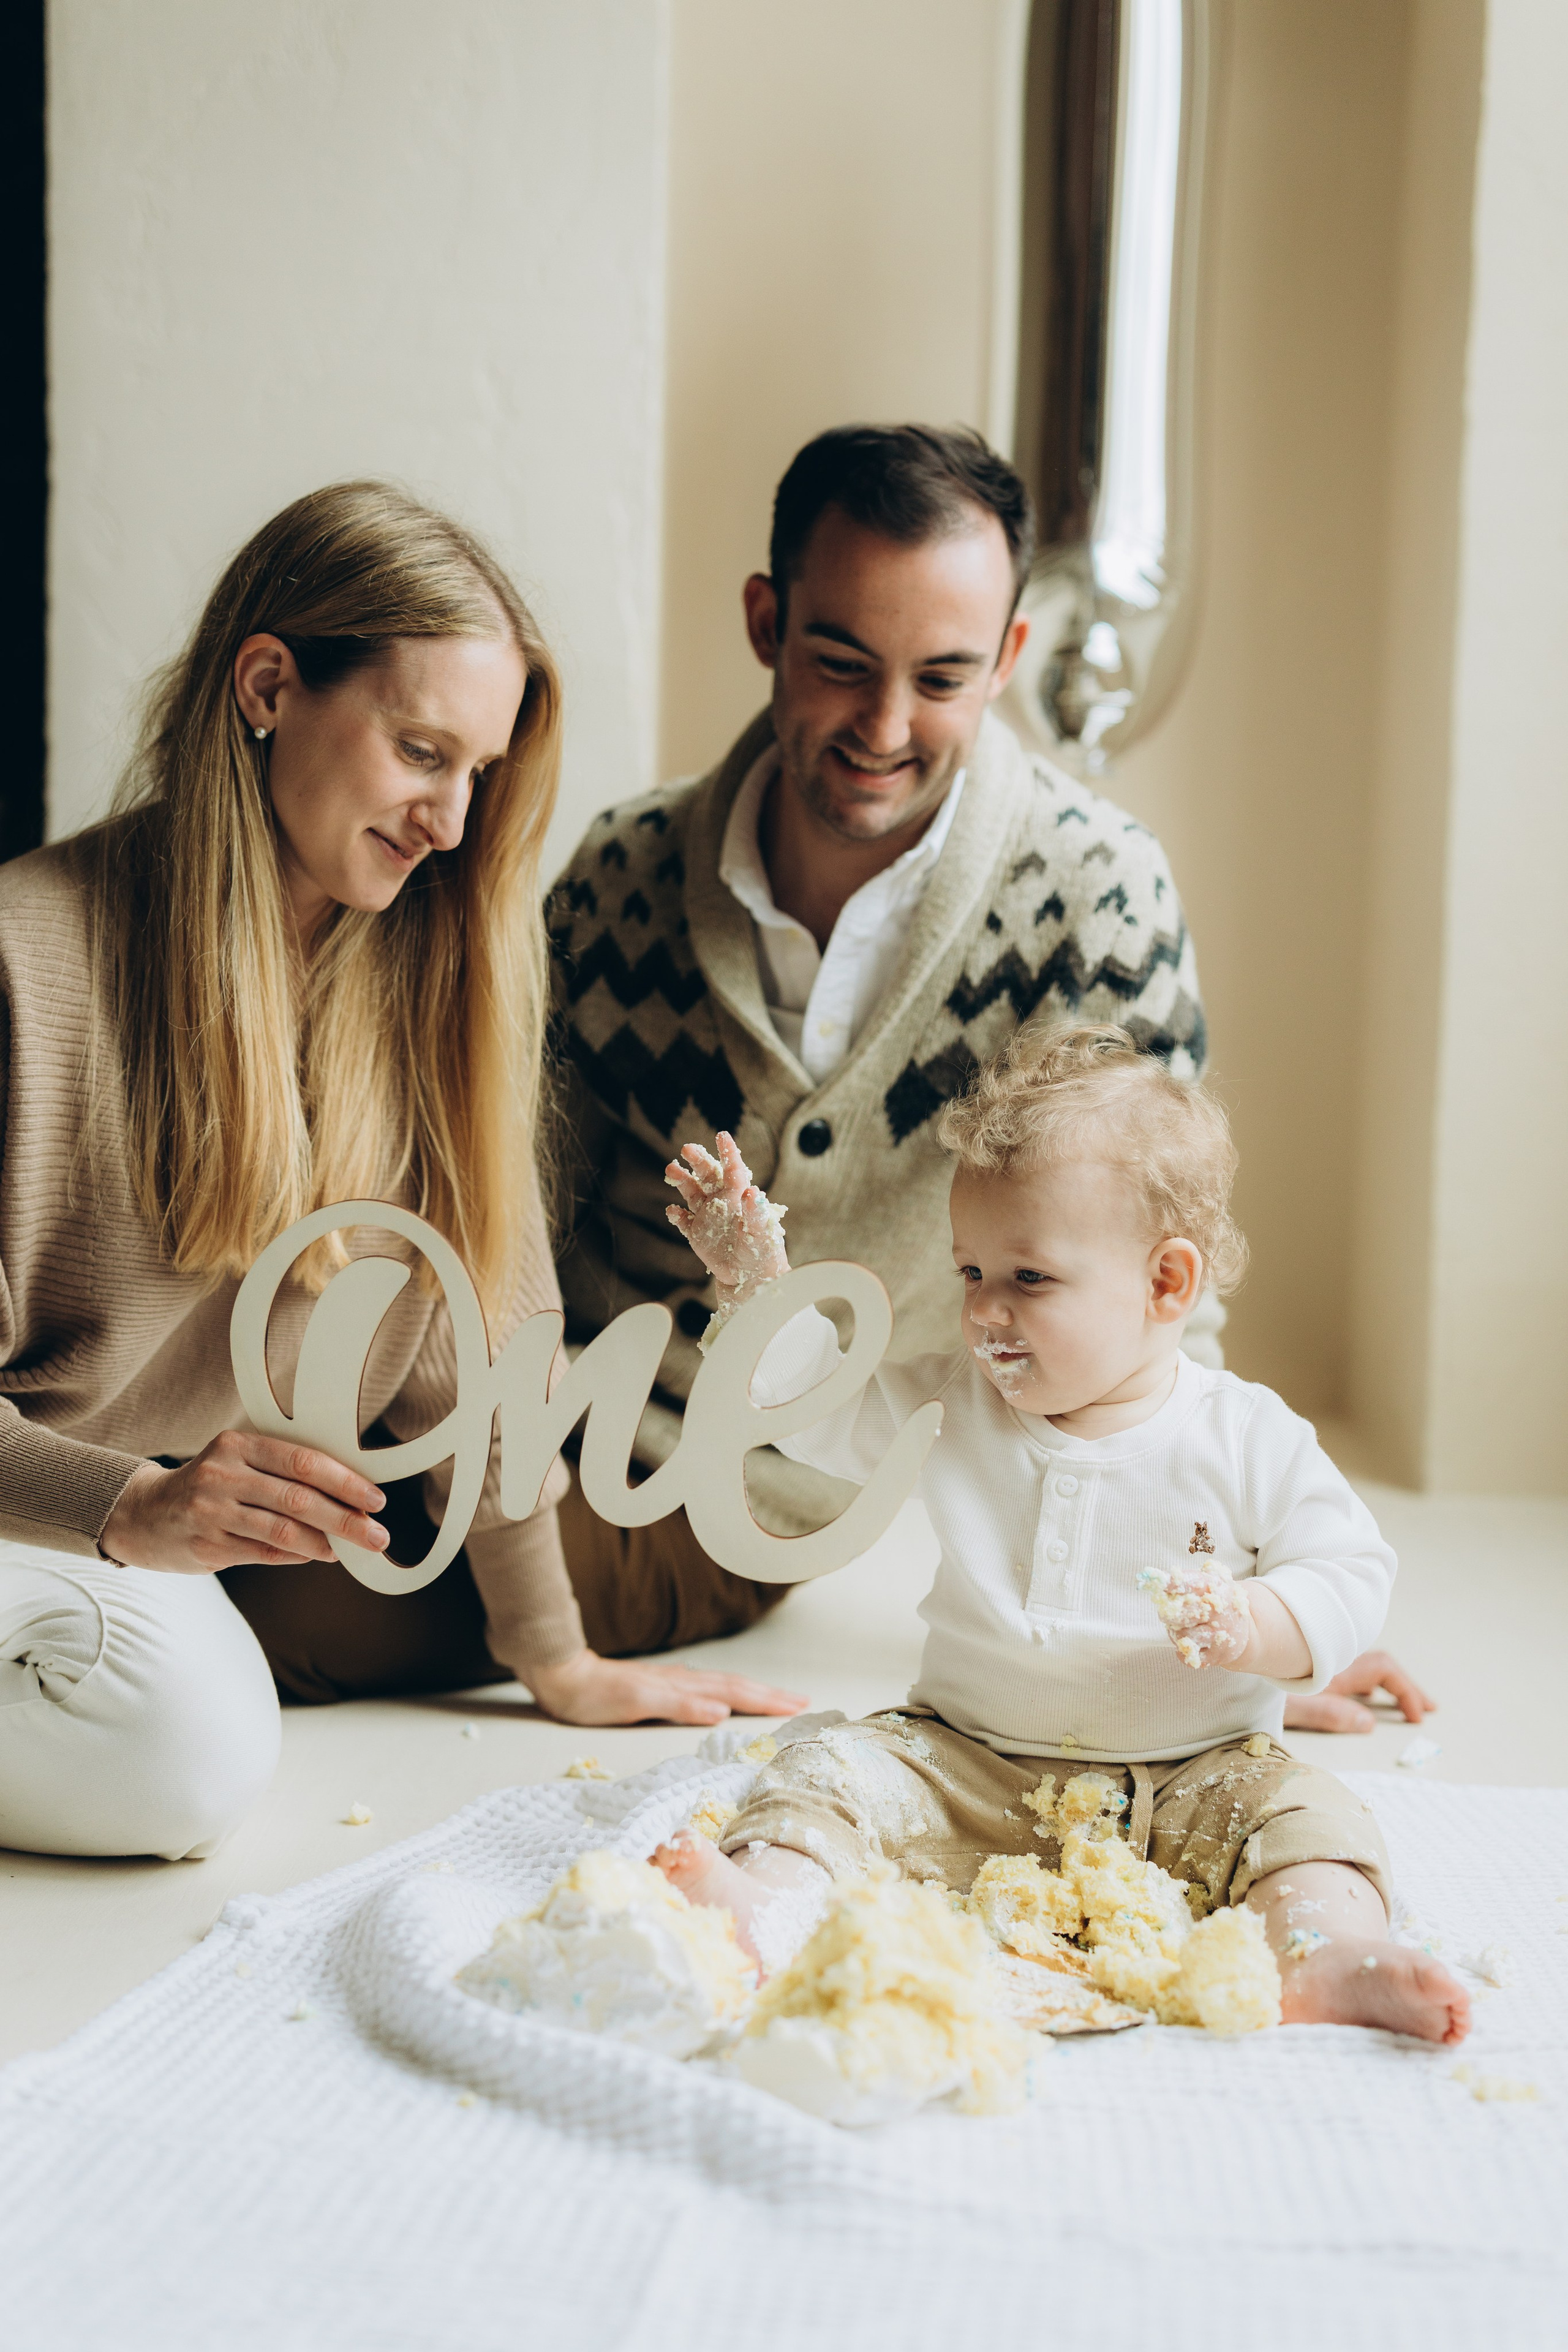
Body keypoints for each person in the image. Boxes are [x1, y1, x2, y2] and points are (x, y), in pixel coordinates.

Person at [548, 422, 1428, 1740]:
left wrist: (1241, 1610)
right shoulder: (619, 874)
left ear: (1009, 661)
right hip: (532, 1407)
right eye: (839, 662)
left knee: (302, 1591)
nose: (884, 728)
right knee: (277, 1486)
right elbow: (514, 1198)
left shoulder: (1092, 897)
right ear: (763, 621)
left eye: (943, 678)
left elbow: (1151, 1263)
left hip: (705, 1484)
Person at [0, 482, 798, 1864]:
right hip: (52, 1501)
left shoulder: (440, 981)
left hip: (132, 1541)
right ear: (267, 686)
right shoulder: (26, 960)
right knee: (179, 1756)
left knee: (191, 1761)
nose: (453, 817)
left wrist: (555, 1656)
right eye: (424, 750)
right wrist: (127, 1506)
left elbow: (485, 1349)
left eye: (480, 771)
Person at [654, 1031, 1471, 2044]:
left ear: (1167, 1286)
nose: (986, 1312)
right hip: (967, 1762)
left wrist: (1260, 1623)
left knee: (1312, 1823)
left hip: (1198, 1771)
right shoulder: (956, 1403)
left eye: (1030, 1279)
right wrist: (757, 1287)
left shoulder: (1246, 1435)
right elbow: (816, 1403)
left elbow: (1351, 1571)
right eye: (970, 1272)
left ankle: (1322, 1952)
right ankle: (766, 1908)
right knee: (827, 1771)